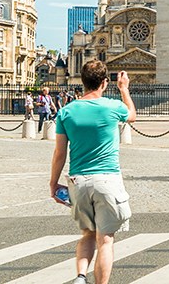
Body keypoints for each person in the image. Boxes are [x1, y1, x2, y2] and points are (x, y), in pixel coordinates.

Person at [50, 61, 137, 284]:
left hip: (78, 182)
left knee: (87, 233)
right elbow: (132, 115)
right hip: (107, 180)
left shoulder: (66, 112)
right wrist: (124, 88)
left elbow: (60, 153)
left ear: (83, 81)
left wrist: (53, 184)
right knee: (105, 240)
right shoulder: (111, 106)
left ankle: (80, 276)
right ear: (104, 82)